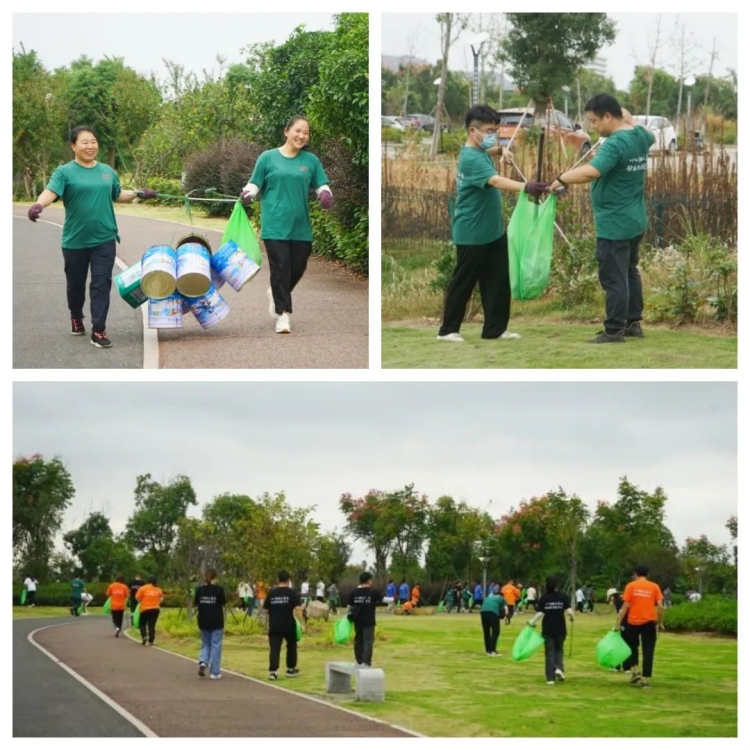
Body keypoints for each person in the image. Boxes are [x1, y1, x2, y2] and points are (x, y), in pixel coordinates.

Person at [26, 126, 158, 348]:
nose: (90, 146)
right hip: (75, 240)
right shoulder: (64, 172)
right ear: (73, 146)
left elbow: (118, 194)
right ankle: (76, 316)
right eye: (84, 142)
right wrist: (39, 205)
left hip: (104, 238)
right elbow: (50, 192)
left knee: (101, 283)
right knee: (75, 285)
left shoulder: (107, 170)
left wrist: (139, 194)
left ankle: (99, 330)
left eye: (93, 141)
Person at [436, 104, 548, 344]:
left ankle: (495, 329)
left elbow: (486, 153)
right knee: (463, 283)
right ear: (472, 131)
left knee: (497, 280)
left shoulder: (478, 153)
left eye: (495, 130)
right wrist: (525, 187)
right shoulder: (470, 159)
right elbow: (495, 180)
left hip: (493, 232)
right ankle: (448, 330)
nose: (492, 134)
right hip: (472, 232)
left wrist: (499, 151)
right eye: (488, 130)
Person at [549, 94, 655, 344]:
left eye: (594, 121)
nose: (592, 127)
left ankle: (614, 330)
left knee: (613, 278)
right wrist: (628, 117)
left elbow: (592, 172)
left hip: (614, 223)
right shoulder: (640, 136)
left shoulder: (615, 143)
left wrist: (562, 178)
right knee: (629, 272)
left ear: (609, 116)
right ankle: (632, 324)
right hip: (635, 220)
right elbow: (646, 131)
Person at [241, 115, 334, 335]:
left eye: (306, 132)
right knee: (280, 265)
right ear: (287, 131)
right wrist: (249, 192)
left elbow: (322, 185)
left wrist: (326, 195)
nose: (302, 136)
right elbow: (255, 182)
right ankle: (283, 314)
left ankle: (276, 292)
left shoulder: (310, 161)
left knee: (298, 266)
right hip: (274, 224)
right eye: (298, 131)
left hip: (300, 226)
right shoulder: (268, 158)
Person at [614, 564, 665, 689]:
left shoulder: (631, 586)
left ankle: (635, 670)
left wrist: (618, 622)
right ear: (648, 575)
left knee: (631, 647)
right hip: (649, 622)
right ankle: (645, 678)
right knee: (648, 650)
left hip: (633, 622)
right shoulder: (654, 587)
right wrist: (660, 622)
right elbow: (660, 606)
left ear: (635, 574)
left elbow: (625, 606)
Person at [528, 576, 575, 684]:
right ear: (557, 585)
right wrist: (572, 618)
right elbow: (570, 612)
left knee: (549, 653)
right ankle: (558, 668)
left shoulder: (544, 598)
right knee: (559, 650)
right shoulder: (563, 597)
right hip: (560, 629)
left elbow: (540, 613)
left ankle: (550, 678)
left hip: (548, 629)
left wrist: (532, 622)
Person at [264, 570, 303, 681]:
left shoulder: (272, 593)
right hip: (288, 624)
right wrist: (302, 623)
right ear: (288, 580)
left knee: (274, 648)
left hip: (274, 625)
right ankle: (290, 669)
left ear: (278, 580)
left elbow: (266, 609)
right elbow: (298, 608)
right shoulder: (291, 593)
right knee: (291, 646)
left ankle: (273, 672)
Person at [194, 569, 226, 680]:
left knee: (205, 644)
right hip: (216, 621)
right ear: (215, 578)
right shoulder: (219, 590)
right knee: (216, 645)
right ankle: (215, 672)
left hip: (203, 620)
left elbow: (196, 604)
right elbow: (223, 603)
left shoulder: (199, 590)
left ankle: (203, 662)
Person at [347, 572, 384, 667]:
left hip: (357, 621)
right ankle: (366, 662)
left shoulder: (354, 592)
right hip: (369, 621)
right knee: (368, 641)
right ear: (369, 580)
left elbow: (349, 606)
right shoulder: (373, 592)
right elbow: (382, 600)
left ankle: (358, 661)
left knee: (358, 641)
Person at [135, 576, 164, 646]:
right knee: (151, 625)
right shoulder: (158, 589)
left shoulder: (143, 588)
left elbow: (137, 598)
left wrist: (141, 602)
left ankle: (144, 636)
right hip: (155, 609)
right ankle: (151, 640)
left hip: (145, 609)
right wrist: (156, 603)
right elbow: (161, 599)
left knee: (142, 624)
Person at [480, 587, 507, 656]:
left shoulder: (489, 597)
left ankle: (488, 650)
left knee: (486, 632)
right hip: (493, 612)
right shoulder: (502, 598)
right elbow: (505, 608)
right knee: (495, 632)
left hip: (483, 612)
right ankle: (492, 651)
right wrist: (506, 617)